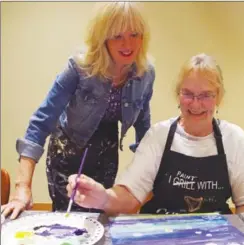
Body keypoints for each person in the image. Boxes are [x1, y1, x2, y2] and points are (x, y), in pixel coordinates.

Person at [1, 2, 155, 219]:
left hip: (106, 152)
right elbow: (41, 121)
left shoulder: (145, 73)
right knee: (67, 219)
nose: (128, 44)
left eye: (134, 34)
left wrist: (146, 178)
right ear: (103, 38)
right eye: (118, 36)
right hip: (67, 152)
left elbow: (143, 126)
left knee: (100, 216)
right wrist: (21, 188)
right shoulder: (79, 67)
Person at [66, 53, 244, 215]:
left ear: (218, 97)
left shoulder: (235, 139)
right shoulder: (158, 136)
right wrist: (103, 198)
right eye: (188, 94)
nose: (195, 104)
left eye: (205, 95)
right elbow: (130, 197)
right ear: (178, 95)